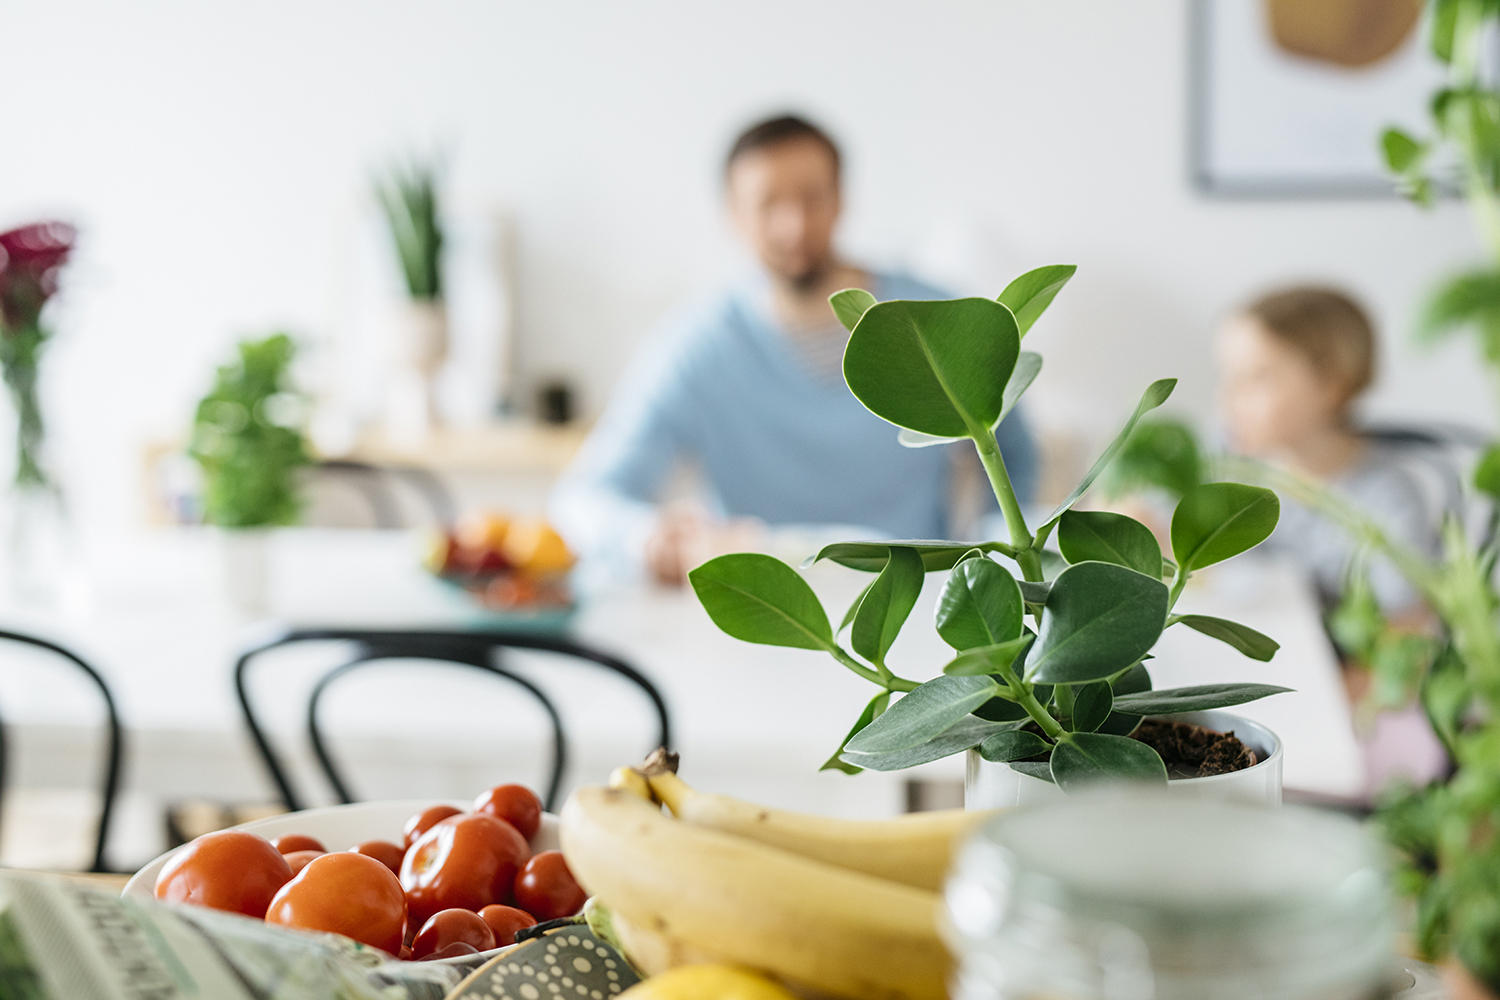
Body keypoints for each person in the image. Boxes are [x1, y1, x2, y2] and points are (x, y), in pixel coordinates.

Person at [550, 114, 1038, 584]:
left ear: (842, 198)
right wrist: (651, 542)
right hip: (758, 618)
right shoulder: (701, 344)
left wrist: (1002, 558)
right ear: (734, 215)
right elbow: (585, 499)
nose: (794, 226)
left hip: (920, 618)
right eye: (767, 204)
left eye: (812, 197)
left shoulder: (933, 317)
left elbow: (1018, 456)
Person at [1217, 285, 1448, 792]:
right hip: (1265, 666)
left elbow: (1408, 635)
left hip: (1351, 683)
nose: (1232, 399)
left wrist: (1324, 699)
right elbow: (1161, 528)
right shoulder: (1230, 462)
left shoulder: (1385, 498)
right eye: (1230, 378)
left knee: (1359, 769)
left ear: (1331, 385)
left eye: (1260, 378)